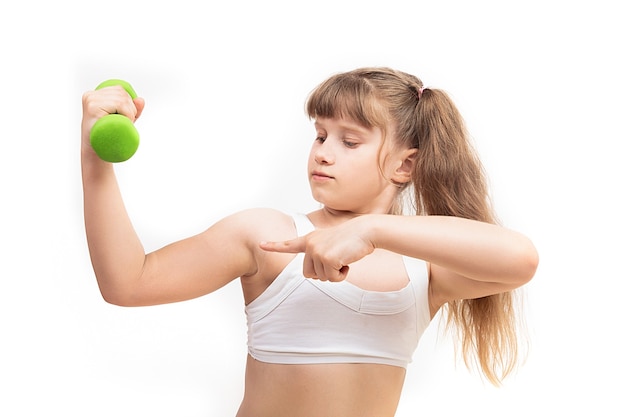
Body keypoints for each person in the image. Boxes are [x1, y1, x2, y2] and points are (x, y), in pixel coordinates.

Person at [81, 67, 538, 417]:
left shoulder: (424, 268)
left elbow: (520, 259)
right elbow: (128, 283)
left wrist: (371, 229)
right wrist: (94, 156)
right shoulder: (267, 235)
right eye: (320, 134)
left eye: (349, 141)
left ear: (405, 165)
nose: (322, 151)